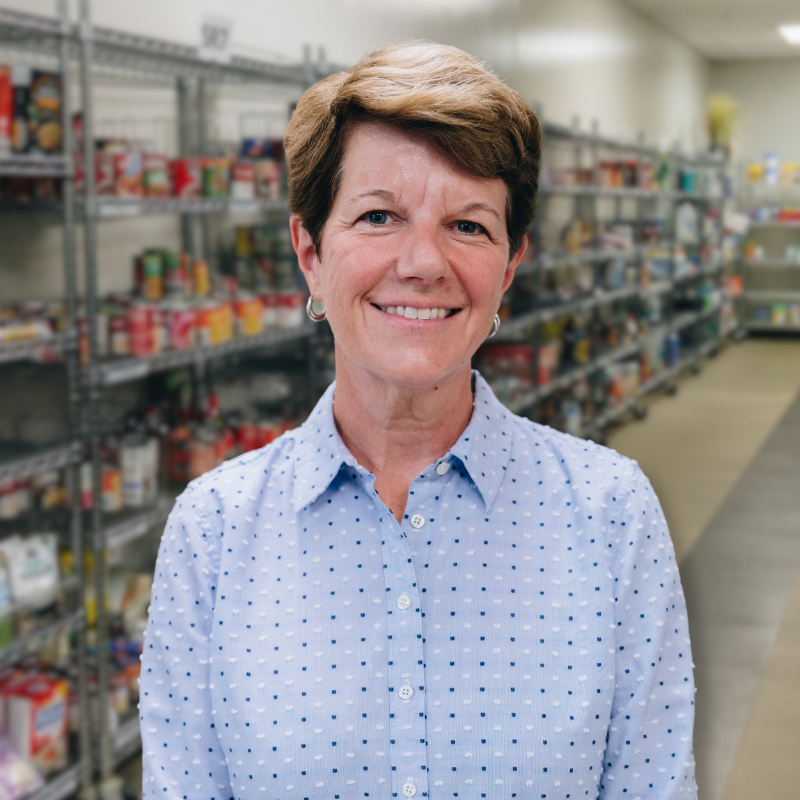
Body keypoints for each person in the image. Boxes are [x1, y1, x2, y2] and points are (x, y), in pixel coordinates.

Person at [140, 42, 697, 799]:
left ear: (509, 266)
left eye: (468, 226)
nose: (423, 263)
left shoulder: (610, 516)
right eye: (378, 216)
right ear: (310, 252)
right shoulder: (214, 533)